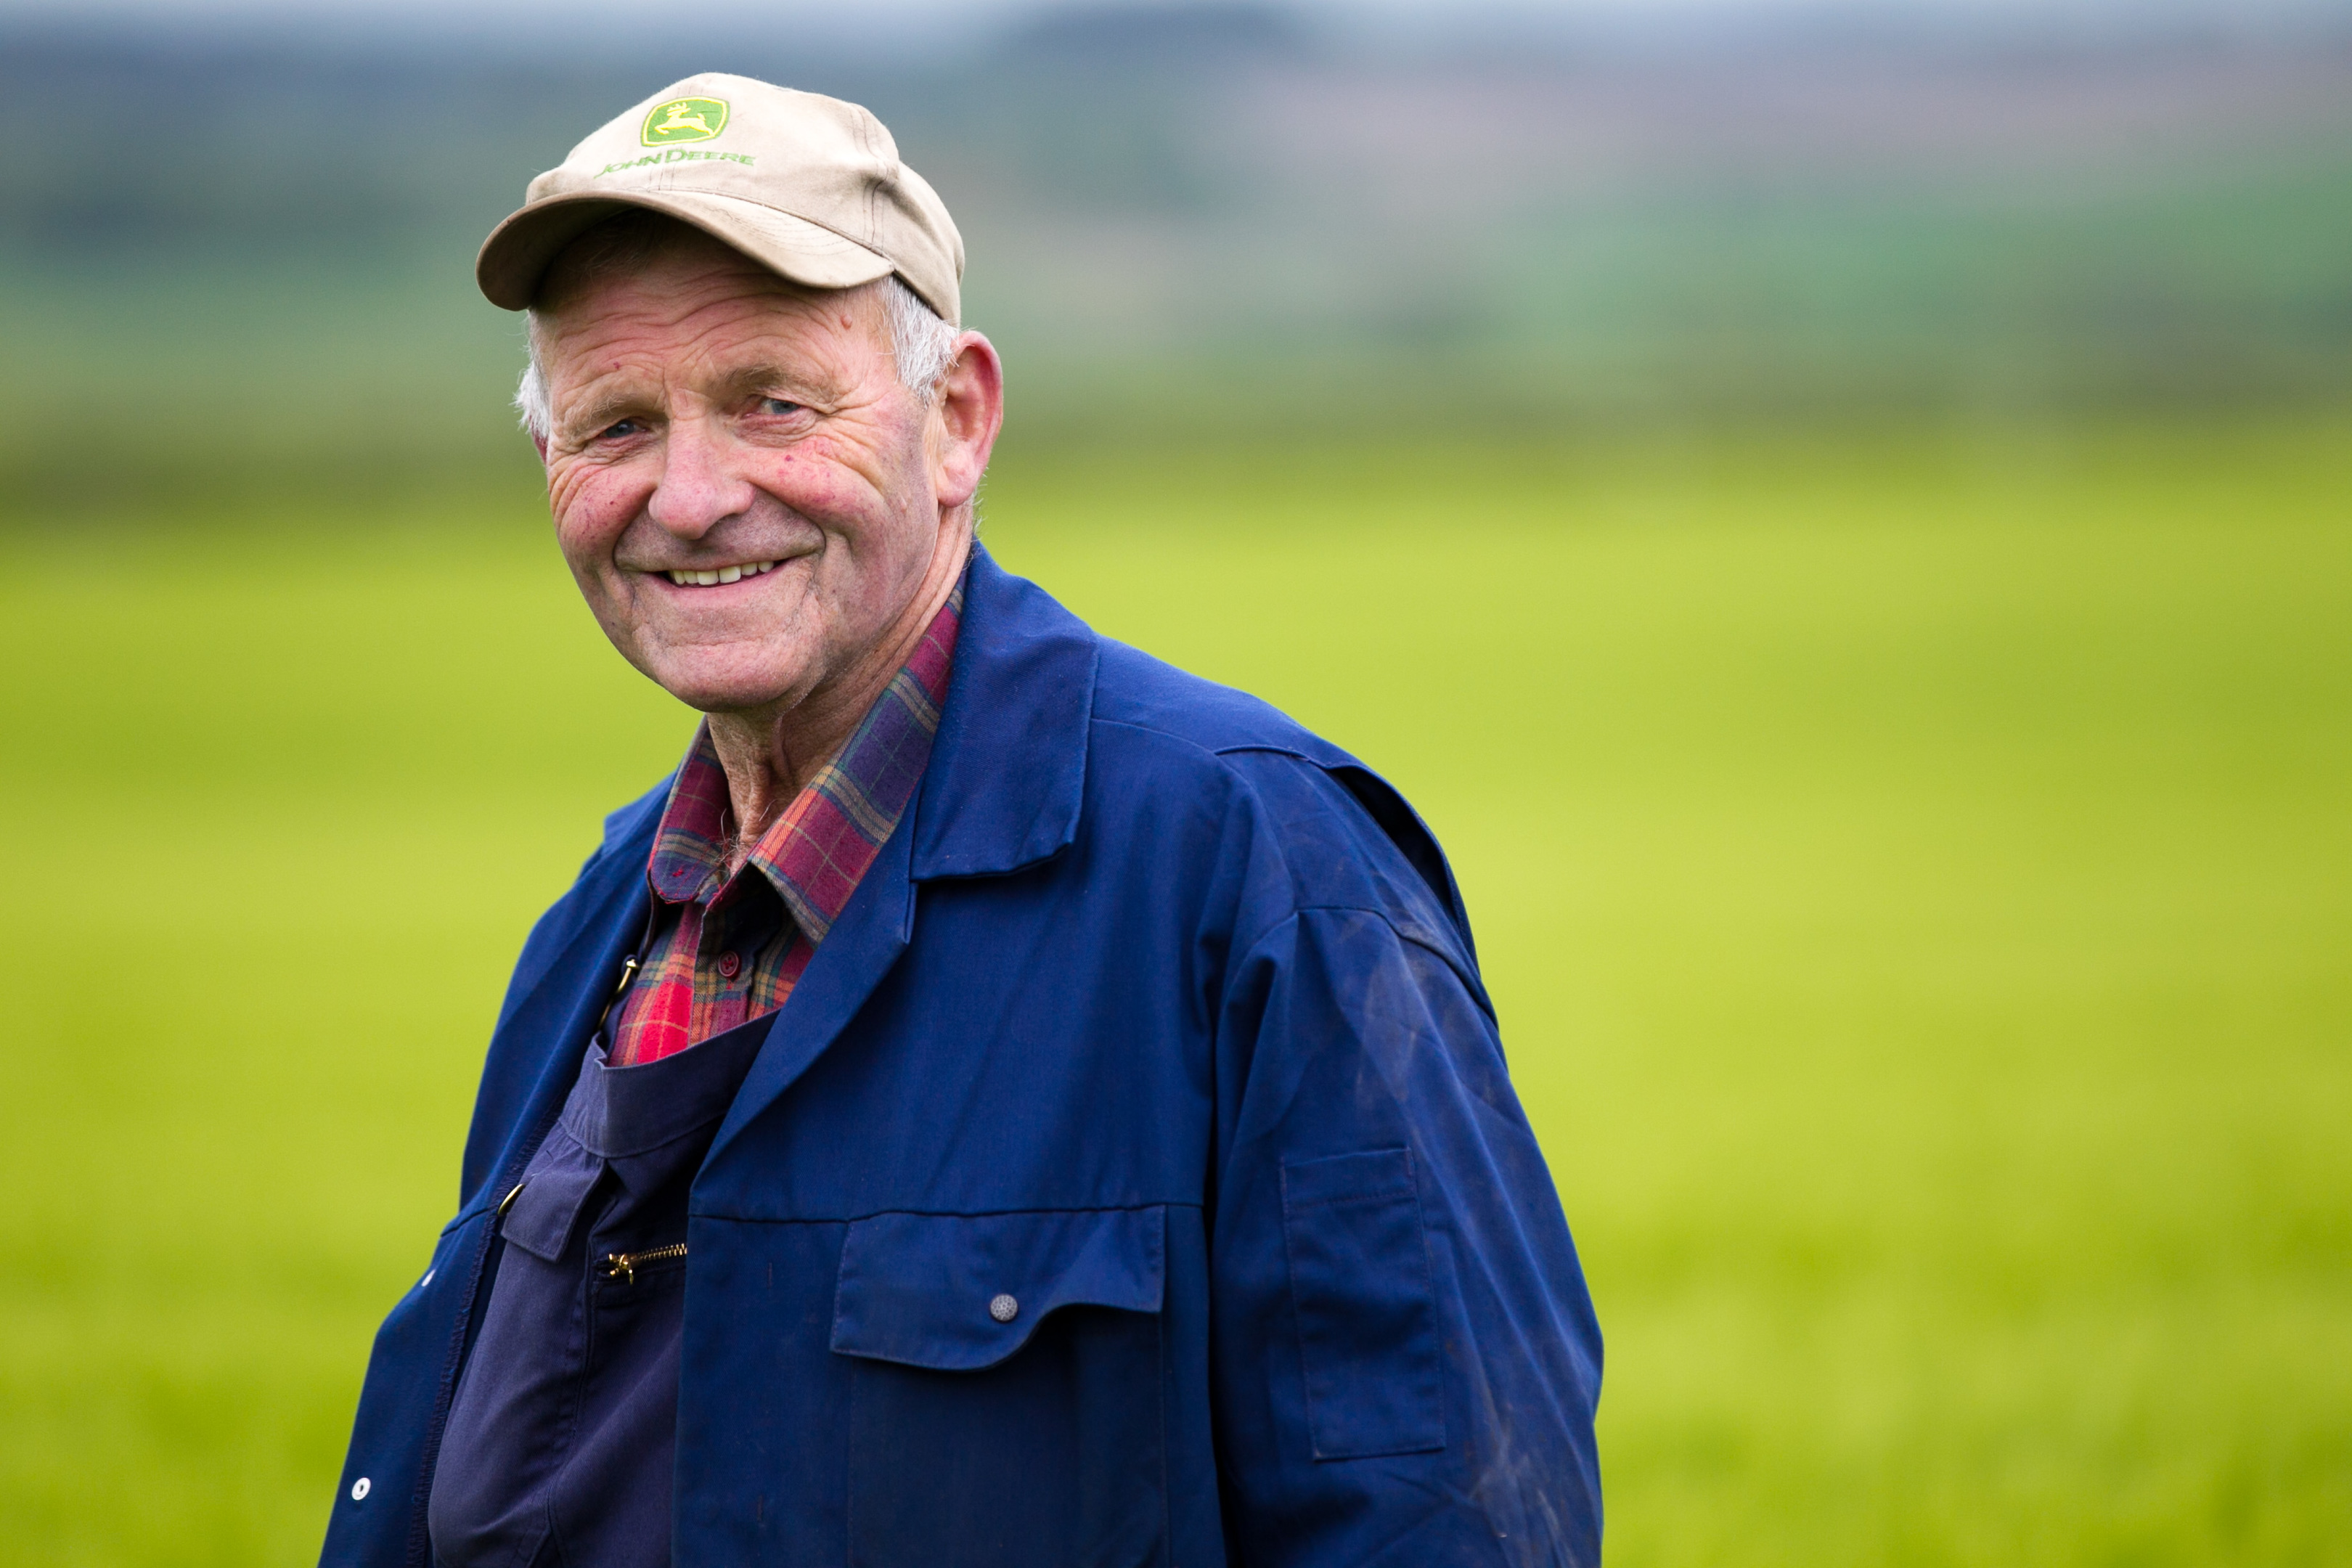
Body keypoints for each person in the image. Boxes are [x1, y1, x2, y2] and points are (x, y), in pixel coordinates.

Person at [320, 71, 1602, 1568]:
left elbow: (1444, 1523)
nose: (688, 493)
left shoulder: (1259, 875)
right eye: (615, 424)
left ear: (956, 421)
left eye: (771, 403)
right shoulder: (602, 926)